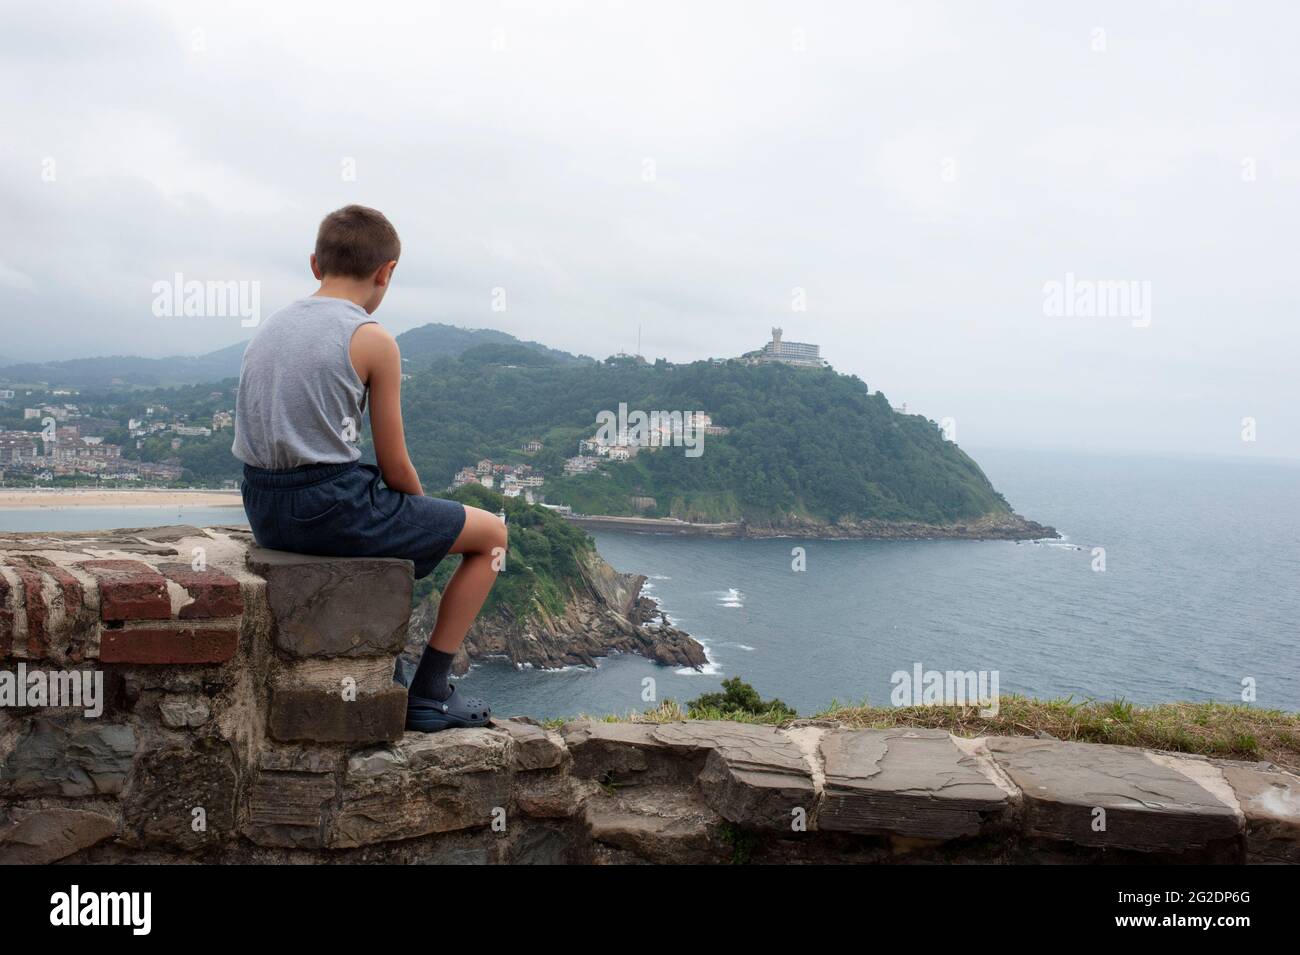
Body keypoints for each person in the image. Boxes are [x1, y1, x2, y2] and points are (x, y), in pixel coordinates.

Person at [231, 204, 502, 731]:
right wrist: (423, 517)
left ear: (315, 264)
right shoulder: (372, 338)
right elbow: (394, 462)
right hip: (331, 507)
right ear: (387, 271)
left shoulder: (268, 329)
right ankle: (430, 691)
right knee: (491, 537)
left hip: (264, 508)